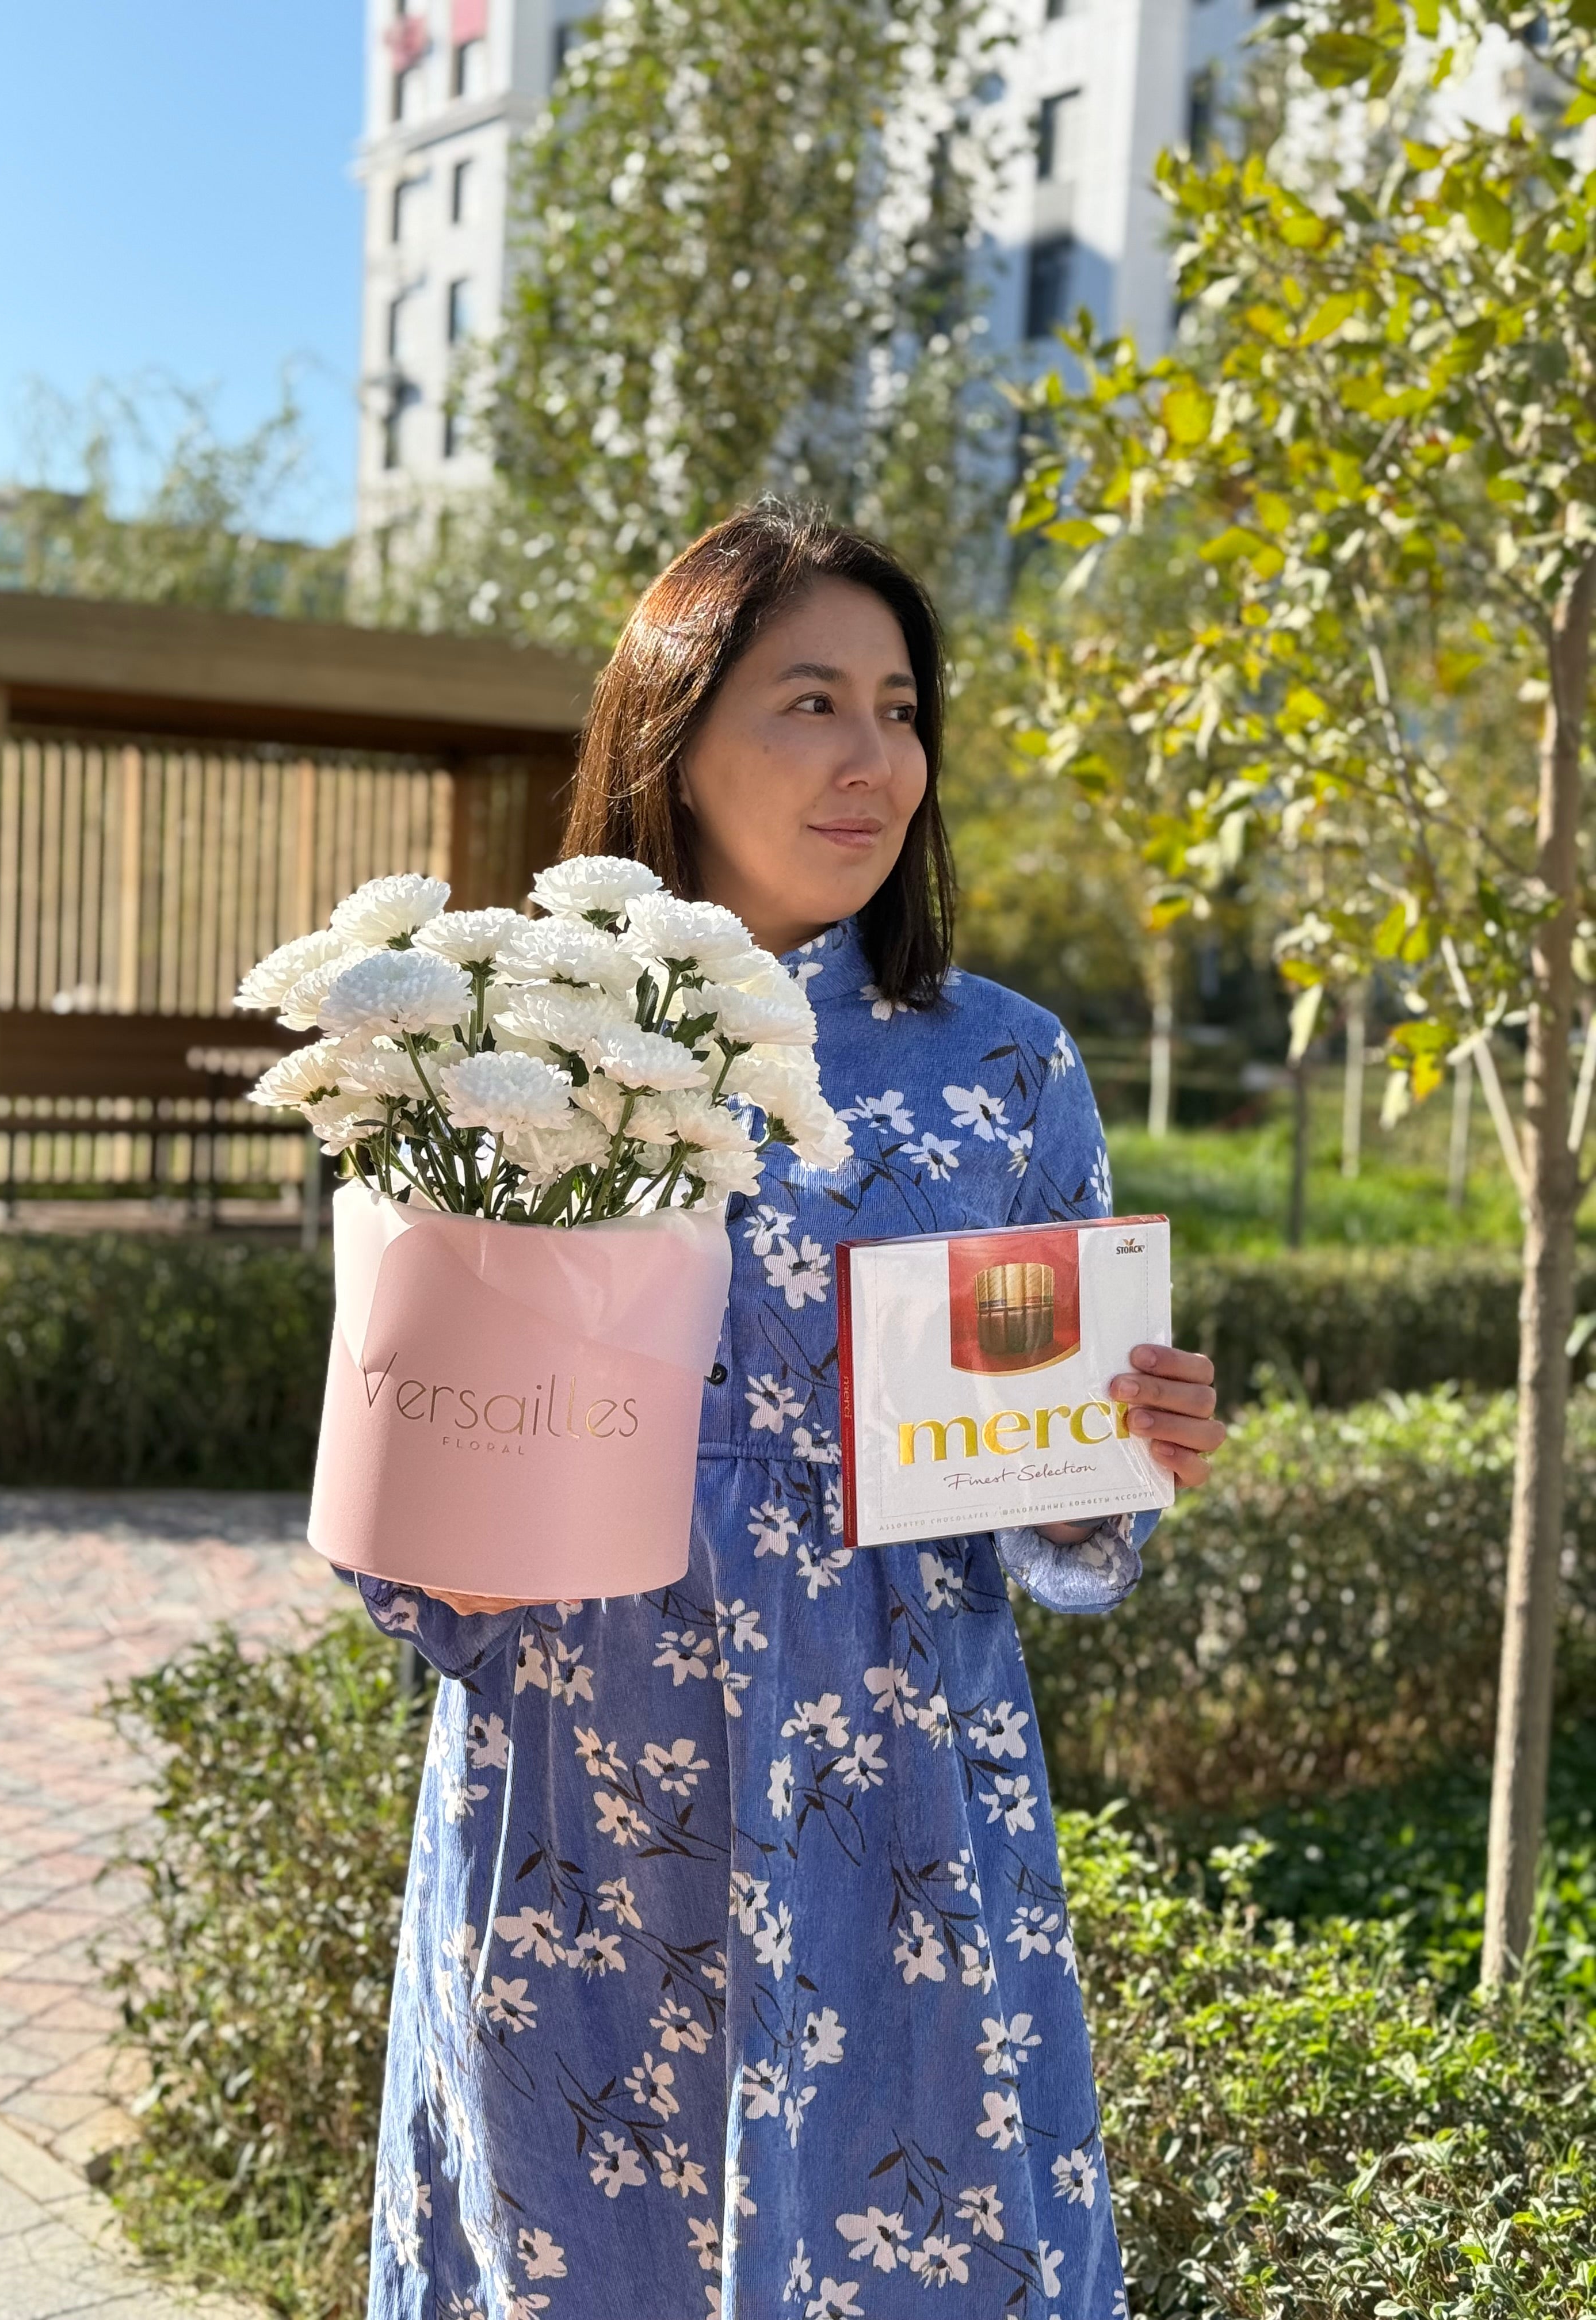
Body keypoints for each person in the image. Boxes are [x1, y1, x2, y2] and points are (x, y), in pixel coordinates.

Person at [347, 503, 1226, 2320]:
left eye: (900, 709)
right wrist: (456, 1558)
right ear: (672, 743)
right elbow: (407, 1447)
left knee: (915, 2246)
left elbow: (1066, 1519)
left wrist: (1127, 1442)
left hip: (897, 1798)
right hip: (589, 1780)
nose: (873, 760)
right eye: (810, 703)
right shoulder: (525, 1044)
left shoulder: (1003, 1063)